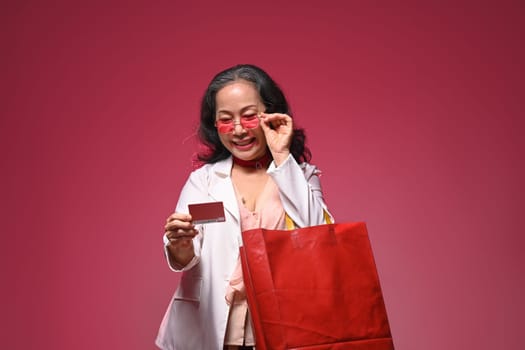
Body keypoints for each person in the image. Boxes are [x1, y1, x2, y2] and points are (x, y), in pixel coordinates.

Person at [156, 64, 333, 350]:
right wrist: (180, 244)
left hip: (283, 327)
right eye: (225, 120)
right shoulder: (203, 181)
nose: (238, 130)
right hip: (214, 328)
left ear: (271, 115)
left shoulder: (301, 176)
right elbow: (185, 258)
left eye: (249, 117)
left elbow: (321, 237)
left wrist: (283, 158)